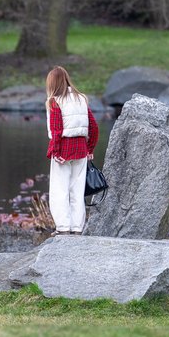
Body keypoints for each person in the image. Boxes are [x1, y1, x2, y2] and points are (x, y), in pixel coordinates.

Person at [45, 66, 99, 234]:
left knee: (59, 190)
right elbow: (94, 127)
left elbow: (56, 130)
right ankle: (77, 228)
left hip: (63, 150)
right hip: (81, 150)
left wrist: (55, 151)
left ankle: (63, 228)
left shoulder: (55, 101)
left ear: (52, 83)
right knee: (77, 190)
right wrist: (90, 148)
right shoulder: (81, 98)